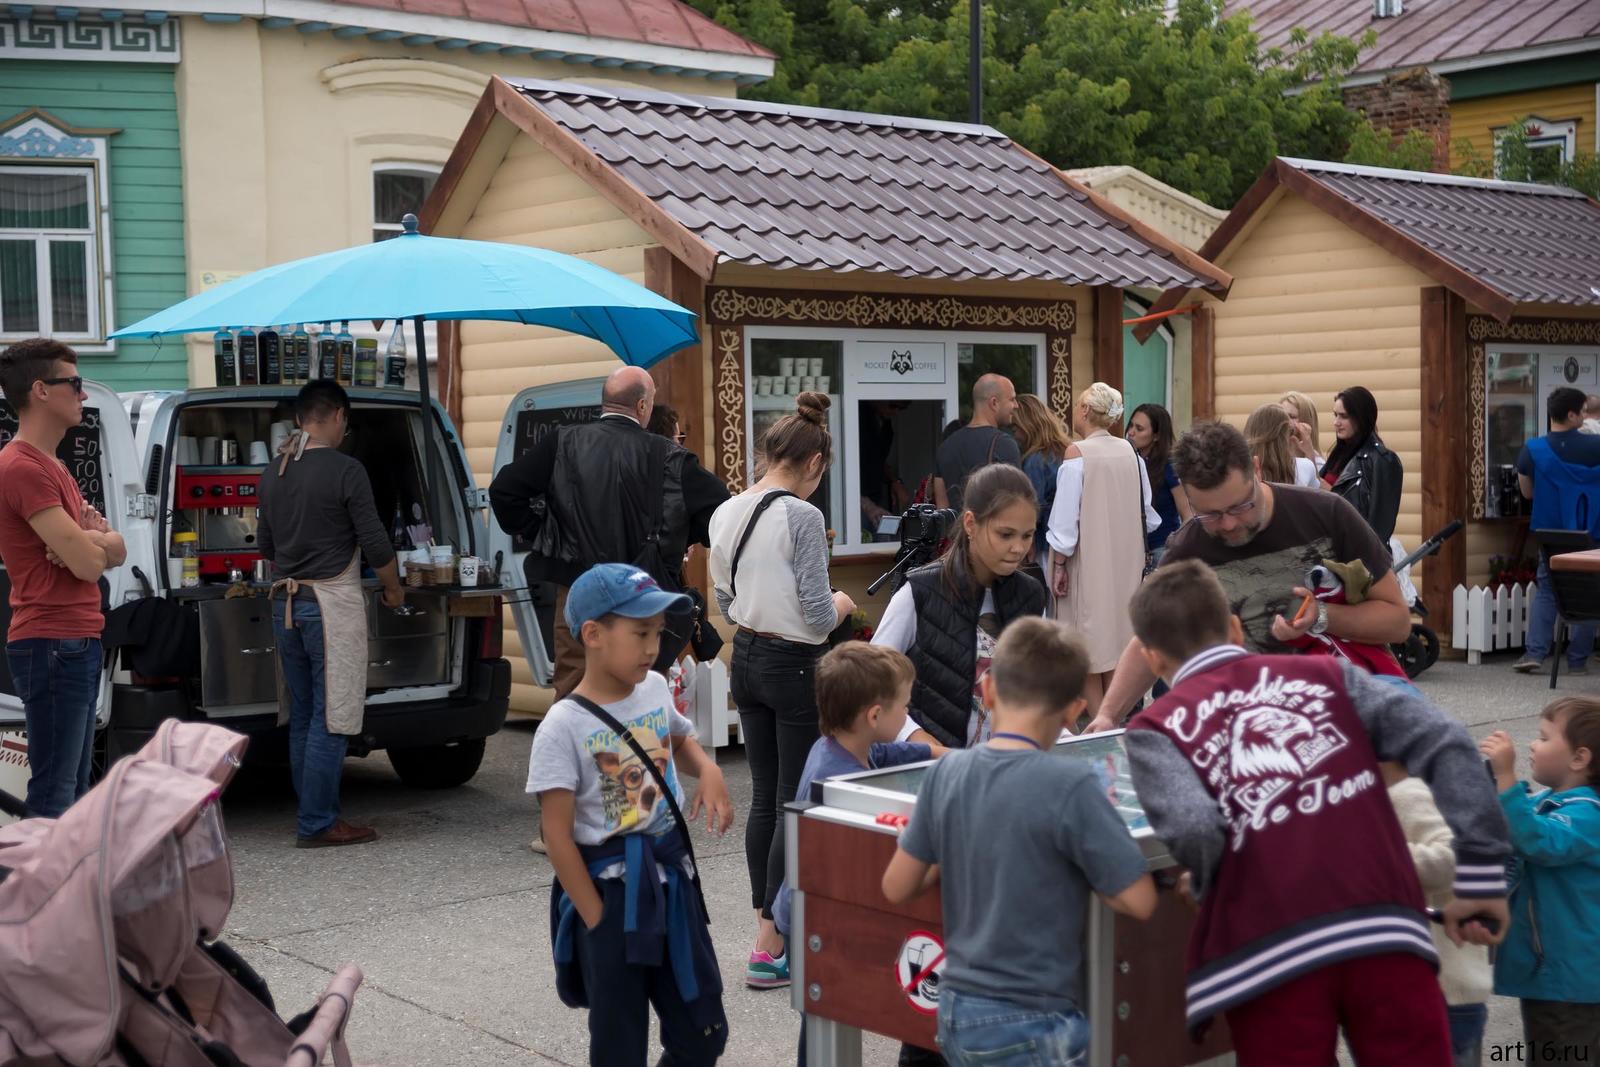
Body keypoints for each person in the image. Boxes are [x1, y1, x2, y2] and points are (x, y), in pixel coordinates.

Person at [1122, 561, 1511, 1066]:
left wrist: (1205, 886)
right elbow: (1445, 740)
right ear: (1235, 628)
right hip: (1382, 925)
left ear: (1152, 659)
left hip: (1268, 952)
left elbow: (1197, 829)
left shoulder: (1155, 729)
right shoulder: (1327, 674)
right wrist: (1480, 875)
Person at [882, 617, 1157, 1067]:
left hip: (956, 1011)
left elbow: (897, 886)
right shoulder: (1073, 786)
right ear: (1072, 711)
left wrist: (947, 846)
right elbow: (1139, 900)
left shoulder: (947, 774)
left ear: (987, 691)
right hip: (1035, 1019)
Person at [529, 562, 734, 1067]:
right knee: (619, 1046)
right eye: (641, 633)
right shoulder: (561, 726)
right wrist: (596, 917)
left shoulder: (655, 688)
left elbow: (678, 737)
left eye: (658, 633)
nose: (652, 647)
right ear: (593, 634)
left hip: (672, 883)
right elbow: (556, 836)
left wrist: (708, 769)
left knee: (703, 1031)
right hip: (610, 894)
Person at [1086, 421, 1412, 733]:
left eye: (1240, 506)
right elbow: (1152, 638)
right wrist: (1108, 716)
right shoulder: (1187, 549)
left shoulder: (1327, 514)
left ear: (1256, 469)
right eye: (1210, 515)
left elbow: (1397, 622)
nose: (1228, 524)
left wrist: (1322, 616)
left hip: (1346, 712)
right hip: (1254, 728)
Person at [708, 391, 855, 989]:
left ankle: (765, 928)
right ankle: (771, 941)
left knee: (766, 797)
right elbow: (819, 616)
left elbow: (724, 600)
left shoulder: (727, 510)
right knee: (796, 800)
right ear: (816, 463)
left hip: (745, 655)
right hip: (794, 664)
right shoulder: (803, 516)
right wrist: (844, 603)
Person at [490, 366, 730, 700]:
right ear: (642, 406)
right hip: (643, 592)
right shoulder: (670, 457)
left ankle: (579, 735)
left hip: (577, 589)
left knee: (575, 684)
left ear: (605, 402)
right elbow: (722, 514)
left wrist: (544, 532)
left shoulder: (562, 442)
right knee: (641, 688)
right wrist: (679, 539)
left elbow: (504, 491)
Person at [774, 643, 934, 1063]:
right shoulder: (838, 780)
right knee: (825, 1017)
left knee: (826, 1015)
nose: (908, 716)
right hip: (814, 920)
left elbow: (894, 751)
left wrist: (951, 757)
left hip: (817, 911)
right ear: (875, 716)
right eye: (905, 708)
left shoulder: (843, 747)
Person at [257, 380, 401, 848]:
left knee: (303, 714)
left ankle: (312, 813)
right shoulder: (346, 469)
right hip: (328, 606)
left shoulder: (273, 471)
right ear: (338, 415)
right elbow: (375, 541)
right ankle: (317, 822)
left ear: (301, 418)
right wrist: (393, 587)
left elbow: (266, 546)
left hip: (286, 604)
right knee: (332, 715)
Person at [0, 338, 125, 818]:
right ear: (40, 390)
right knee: (55, 793)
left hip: (72, 640)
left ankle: (59, 869)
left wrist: (89, 541)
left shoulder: (54, 465)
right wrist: (94, 546)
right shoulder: (22, 467)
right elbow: (91, 566)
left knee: (71, 791)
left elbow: (113, 549)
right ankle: (38, 871)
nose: (83, 394)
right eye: (74, 383)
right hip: (51, 642)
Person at [874, 463, 1046, 749]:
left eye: (1027, 535)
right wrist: (916, 738)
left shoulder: (1032, 596)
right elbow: (870, 681)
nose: (1018, 547)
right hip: (932, 768)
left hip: (1008, 763)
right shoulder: (920, 591)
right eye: (1005, 534)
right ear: (970, 524)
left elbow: (1042, 688)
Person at [1480, 697, 1600, 1063]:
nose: (1532, 744)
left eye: (1544, 738)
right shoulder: (1551, 802)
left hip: (1567, 980)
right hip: (1555, 974)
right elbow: (1514, 825)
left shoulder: (1589, 815)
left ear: (1579, 758)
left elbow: (1535, 840)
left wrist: (1506, 778)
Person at [1046, 383, 1160, 718]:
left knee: (1085, 648)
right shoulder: (1131, 453)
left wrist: (1059, 565)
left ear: (1084, 410)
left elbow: (1064, 524)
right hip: (1127, 560)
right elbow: (1148, 513)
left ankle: (1102, 723)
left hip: (1087, 561)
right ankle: (1115, 717)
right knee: (1117, 643)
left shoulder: (1077, 454)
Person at [1382, 761, 1493, 1067]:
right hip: (1422, 994)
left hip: (1444, 995)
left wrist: (1377, 851)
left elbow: (1452, 858)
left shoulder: (1409, 792)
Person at [1513, 386, 1600, 675]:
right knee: (1590, 592)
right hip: (1591, 531)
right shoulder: (1596, 446)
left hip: (1551, 532)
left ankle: (1535, 652)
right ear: (1572, 415)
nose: (1586, 417)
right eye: (1583, 412)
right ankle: (1577, 661)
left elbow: (1526, 492)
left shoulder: (1533, 449)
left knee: (1548, 589)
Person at [1320, 385, 1404, 542]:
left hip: (1358, 550)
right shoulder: (1339, 453)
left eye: (1343, 416)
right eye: (1335, 415)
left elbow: (1379, 526)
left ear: (1361, 418)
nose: (1336, 422)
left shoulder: (1382, 460)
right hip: (1332, 544)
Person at [933, 374, 1020, 511]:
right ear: (994, 403)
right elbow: (1014, 503)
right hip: (989, 524)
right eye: (1012, 399)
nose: (1016, 405)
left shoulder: (945, 446)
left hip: (957, 525)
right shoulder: (1004, 444)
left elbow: (942, 508)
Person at [1010, 394, 1069, 584]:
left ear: (1027, 425)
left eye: (1015, 428)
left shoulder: (1035, 460)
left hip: (1046, 541)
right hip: (1068, 539)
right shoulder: (1065, 450)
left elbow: (1034, 506)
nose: (1014, 434)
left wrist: (1028, 539)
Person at [1127, 402, 1191, 567]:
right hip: (1132, 550)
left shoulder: (1169, 464)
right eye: (1131, 425)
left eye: (1139, 429)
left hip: (1161, 549)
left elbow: (1187, 513)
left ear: (1156, 436)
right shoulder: (1127, 460)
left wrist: (1179, 547)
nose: (1131, 432)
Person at [1245, 403, 1319, 488]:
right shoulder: (1304, 466)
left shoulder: (1240, 468)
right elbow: (1318, 492)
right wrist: (1309, 453)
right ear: (1286, 436)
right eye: (1290, 432)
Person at [1280, 390, 1324, 467]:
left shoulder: (1318, 463)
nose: (1285, 421)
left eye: (1292, 417)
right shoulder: (1272, 457)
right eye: (1282, 415)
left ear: (1307, 421)